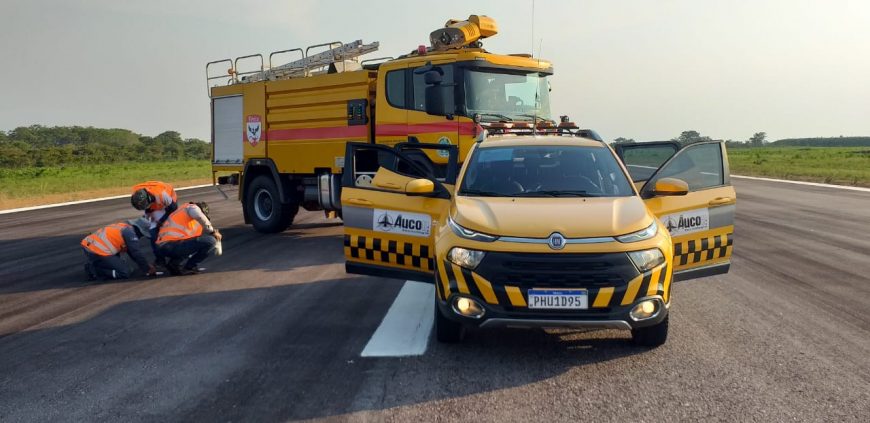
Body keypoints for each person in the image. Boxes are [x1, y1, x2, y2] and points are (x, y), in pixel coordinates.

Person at [156, 201, 222, 275]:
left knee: (193, 243)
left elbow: (194, 243)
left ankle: (174, 264)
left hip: (163, 246)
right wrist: (212, 232)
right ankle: (189, 267)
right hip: (171, 244)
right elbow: (199, 215)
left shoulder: (181, 213)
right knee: (211, 241)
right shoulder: (192, 207)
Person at [81, 218, 157, 280]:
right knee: (125, 272)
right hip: (98, 250)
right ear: (139, 230)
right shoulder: (130, 233)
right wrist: (147, 268)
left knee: (122, 263)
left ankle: (96, 264)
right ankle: (94, 270)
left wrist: (145, 266)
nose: (141, 237)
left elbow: (131, 252)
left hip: (89, 246)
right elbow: (136, 253)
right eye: (142, 234)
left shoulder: (123, 226)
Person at [130, 181, 178, 265]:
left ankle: (178, 251)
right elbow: (147, 209)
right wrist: (149, 214)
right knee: (153, 234)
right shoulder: (136, 192)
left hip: (168, 204)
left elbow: (173, 208)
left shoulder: (162, 195)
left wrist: (162, 221)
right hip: (154, 204)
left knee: (169, 227)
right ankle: (160, 259)